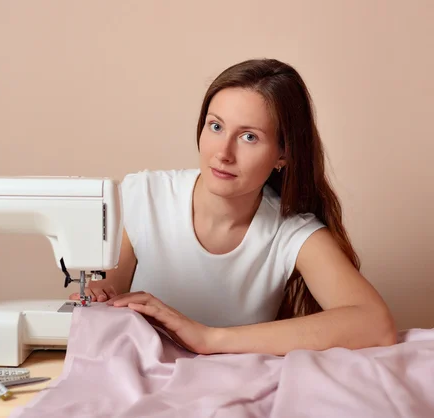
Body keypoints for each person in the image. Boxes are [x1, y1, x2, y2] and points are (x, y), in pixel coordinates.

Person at [69, 58, 397, 356]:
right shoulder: (146, 196)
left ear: (283, 154)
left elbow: (374, 323)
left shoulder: (291, 232)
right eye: (216, 126)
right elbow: (109, 283)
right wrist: (99, 293)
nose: (223, 152)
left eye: (249, 137)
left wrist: (210, 339)